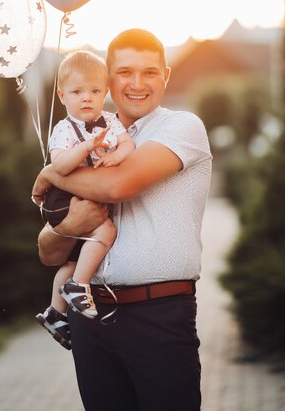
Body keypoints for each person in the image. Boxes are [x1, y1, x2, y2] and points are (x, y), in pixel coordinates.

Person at [33, 29, 212, 411]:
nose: (136, 83)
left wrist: (50, 174)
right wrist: (67, 225)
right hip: (90, 318)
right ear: (107, 80)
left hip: (158, 314)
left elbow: (119, 185)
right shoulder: (78, 135)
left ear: (165, 76)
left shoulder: (182, 127)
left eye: (149, 73)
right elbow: (49, 253)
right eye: (125, 72)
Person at [35, 50, 135, 351]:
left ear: (105, 92)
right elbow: (60, 167)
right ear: (62, 95)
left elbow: (127, 142)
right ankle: (78, 286)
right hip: (64, 198)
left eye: (94, 91)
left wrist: (116, 155)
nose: (87, 98)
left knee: (74, 259)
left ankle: (55, 312)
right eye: (78, 92)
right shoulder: (64, 129)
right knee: (107, 232)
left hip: (85, 192)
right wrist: (87, 147)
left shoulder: (109, 121)